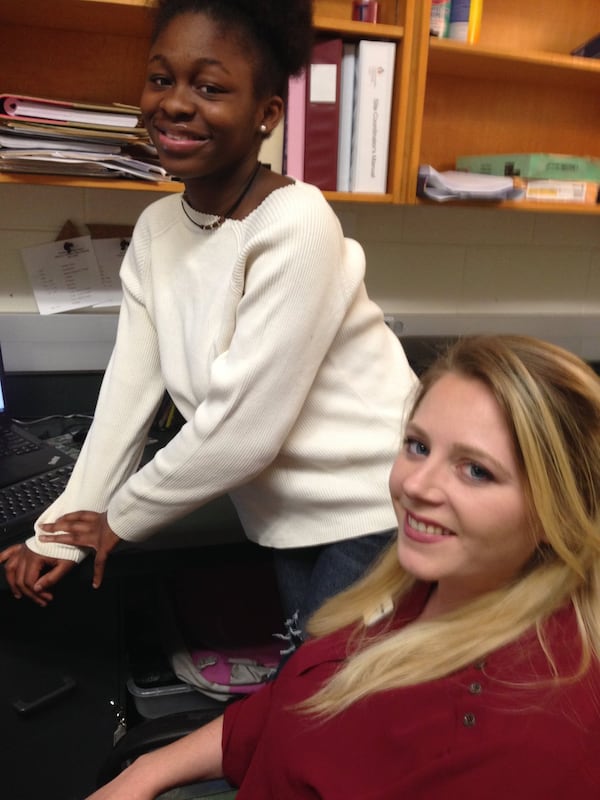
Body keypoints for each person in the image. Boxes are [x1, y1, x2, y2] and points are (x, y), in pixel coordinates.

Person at [0, 0, 417, 630]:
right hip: (286, 513)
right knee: (309, 694)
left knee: (322, 698)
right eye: (161, 78)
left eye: (210, 87)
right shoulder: (156, 229)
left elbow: (242, 429)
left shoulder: (297, 221)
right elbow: (128, 392)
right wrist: (59, 530)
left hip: (376, 501)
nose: (174, 103)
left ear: (266, 114)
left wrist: (121, 518)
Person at [83, 334, 600, 799]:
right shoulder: (426, 585)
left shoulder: (528, 737)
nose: (416, 486)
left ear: (559, 508)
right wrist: (144, 773)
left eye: (476, 470)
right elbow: (288, 704)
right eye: (418, 446)